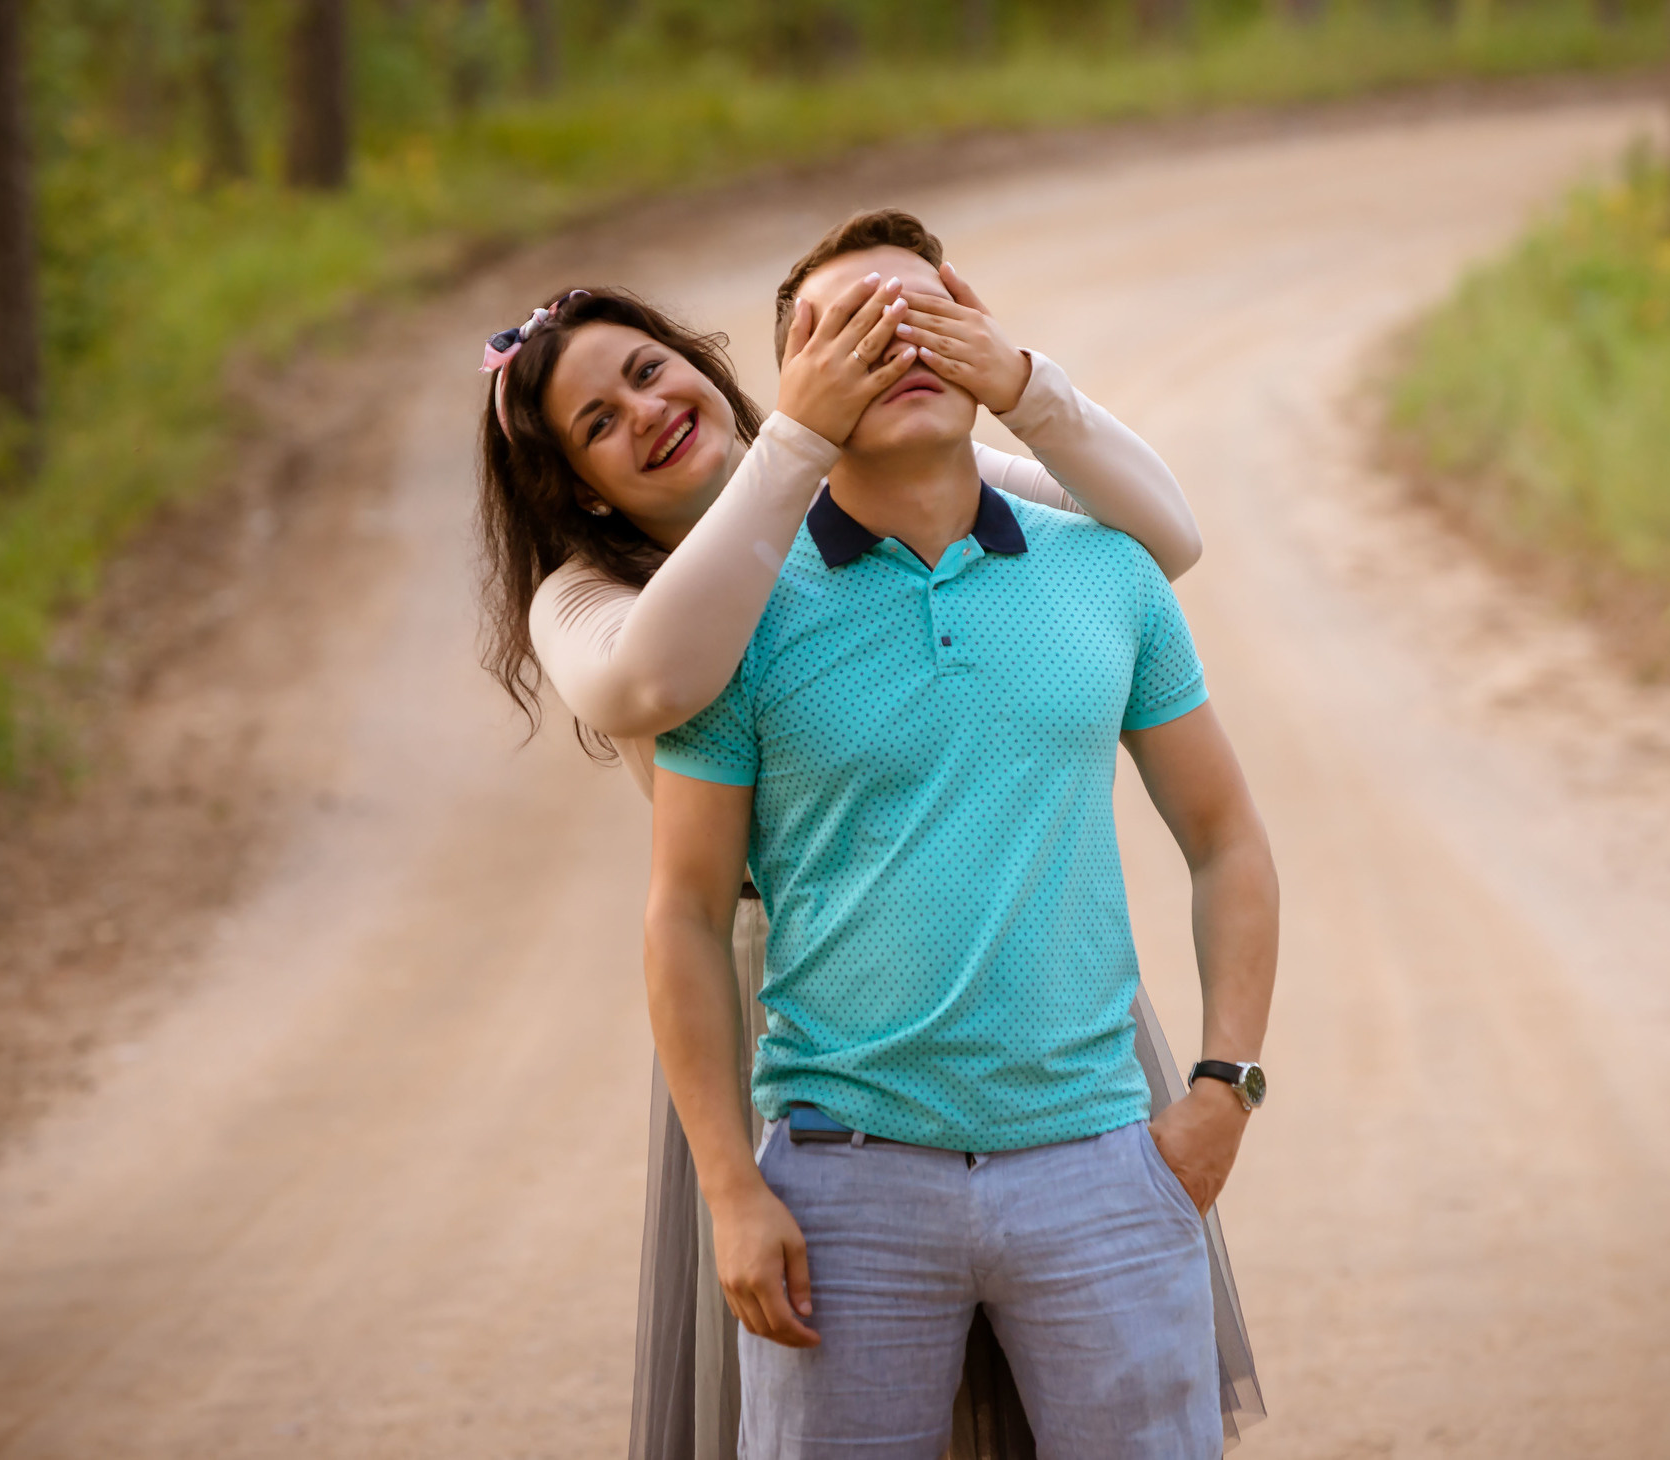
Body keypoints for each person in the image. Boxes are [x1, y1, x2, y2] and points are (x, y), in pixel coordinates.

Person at [471, 211, 1257, 1456]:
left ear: (700, 359)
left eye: (645, 370)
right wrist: (795, 440)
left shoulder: (901, 464)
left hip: (1040, 1020)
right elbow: (654, 685)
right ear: (579, 487)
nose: (645, 414)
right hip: (788, 1041)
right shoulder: (592, 592)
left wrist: (1009, 379)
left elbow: (1159, 539)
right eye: (598, 426)